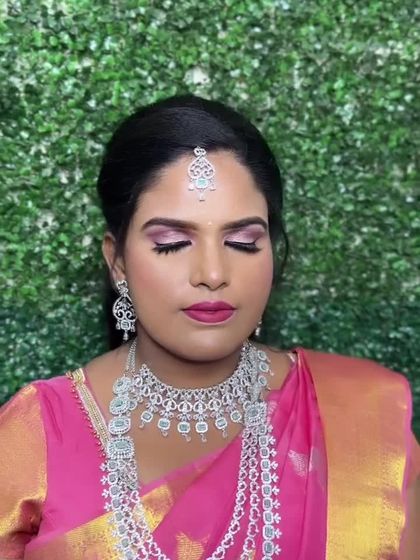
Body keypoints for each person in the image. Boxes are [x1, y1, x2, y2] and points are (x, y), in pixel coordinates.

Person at [0, 94, 419, 560]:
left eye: (243, 242)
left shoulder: (364, 418)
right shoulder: (33, 435)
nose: (213, 273)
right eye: (172, 243)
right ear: (117, 261)